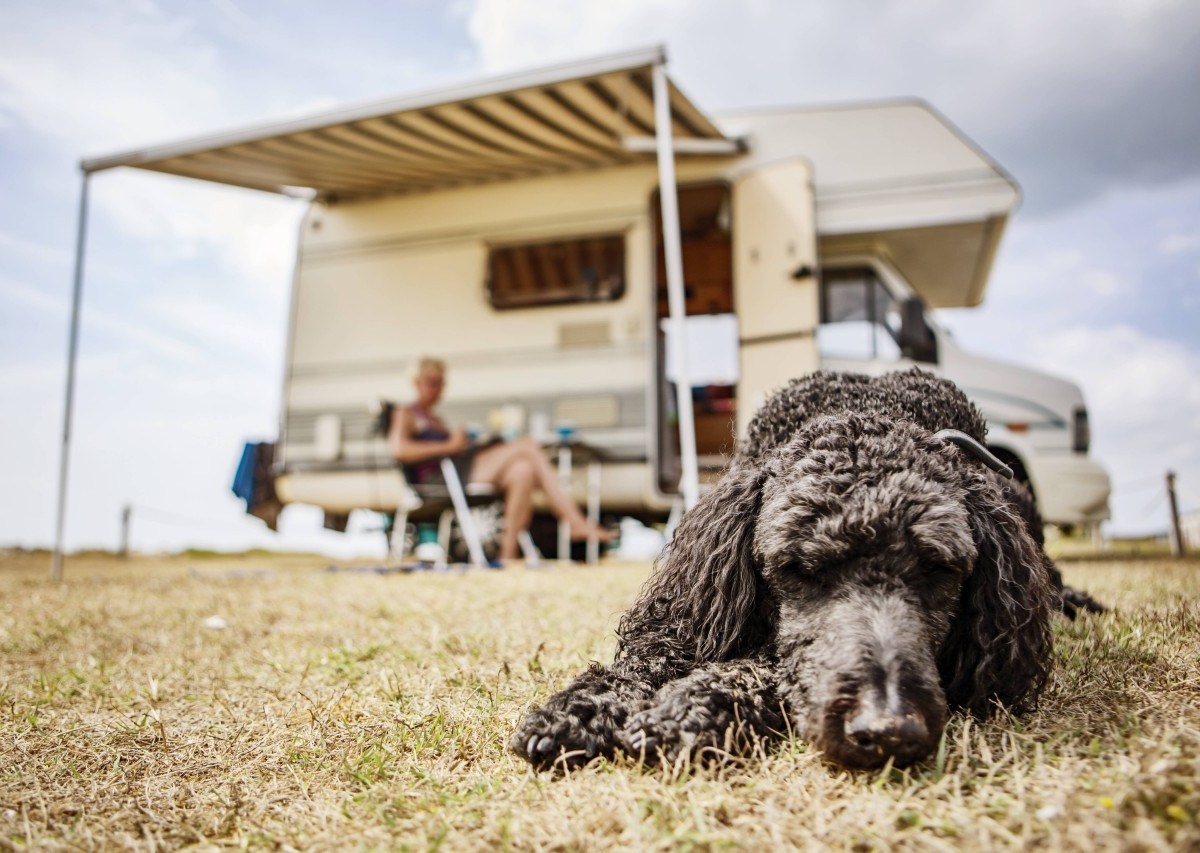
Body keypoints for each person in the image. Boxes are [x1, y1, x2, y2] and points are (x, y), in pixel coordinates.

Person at [388, 357, 614, 562]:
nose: (438, 389)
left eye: (441, 383)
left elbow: (451, 448)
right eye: (432, 382)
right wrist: (449, 445)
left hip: (458, 469)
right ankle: (574, 521)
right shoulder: (406, 413)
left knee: (523, 470)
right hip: (438, 481)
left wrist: (466, 444)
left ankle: (508, 553)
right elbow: (399, 449)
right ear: (416, 382)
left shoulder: (435, 418)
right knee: (527, 446)